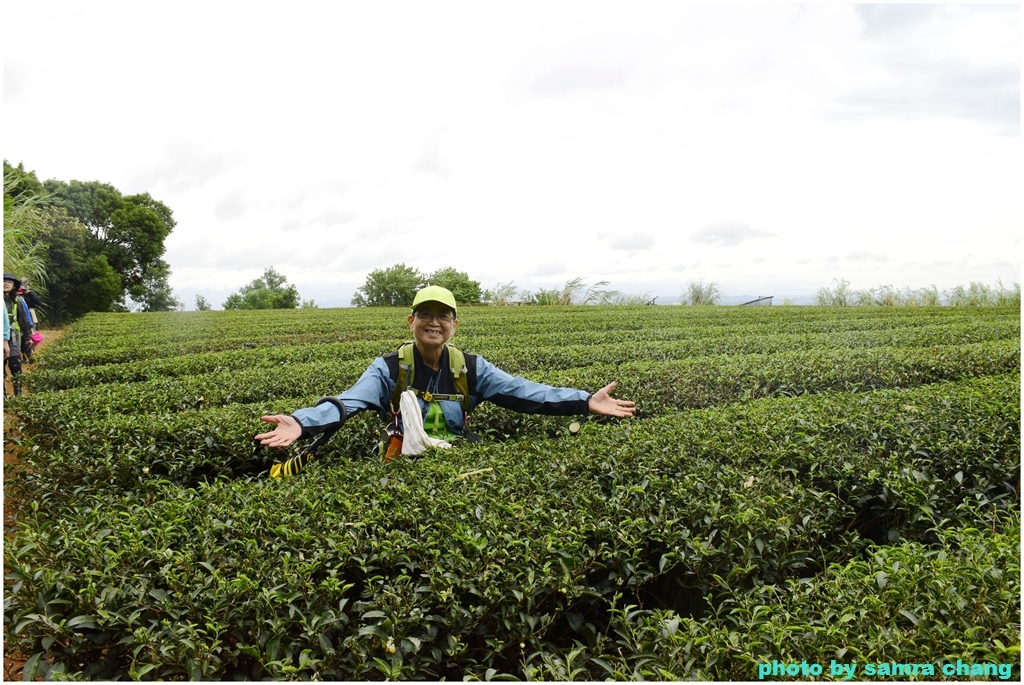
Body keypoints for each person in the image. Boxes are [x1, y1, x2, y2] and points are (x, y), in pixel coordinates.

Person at [256, 285, 635, 476]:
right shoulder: (389, 368)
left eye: (443, 315)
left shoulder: (470, 368)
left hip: (459, 460)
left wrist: (585, 401)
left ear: (455, 324)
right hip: (401, 462)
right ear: (411, 322)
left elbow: (523, 392)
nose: (433, 322)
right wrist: (303, 422)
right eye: (425, 314)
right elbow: (350, 401)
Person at [4, 274, 37, 395]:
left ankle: (18, 394)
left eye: (9, 282)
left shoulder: (17, 300)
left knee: (15, 364)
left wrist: (28, 337)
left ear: (14, 286)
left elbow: (24, 319)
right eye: (4, 281)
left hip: (13, 336)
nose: (6, 284)